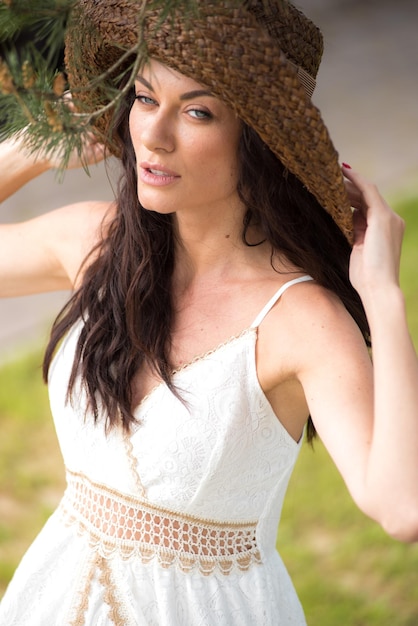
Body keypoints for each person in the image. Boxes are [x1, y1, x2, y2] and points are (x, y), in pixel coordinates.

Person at [0, 0, 417, 624]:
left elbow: (402, 507)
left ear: (259, 142)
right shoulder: (97, 243)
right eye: (144, 98)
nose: (154, 134)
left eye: (196, 111)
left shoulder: (300, 320)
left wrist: (382, 295)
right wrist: (33, 150)